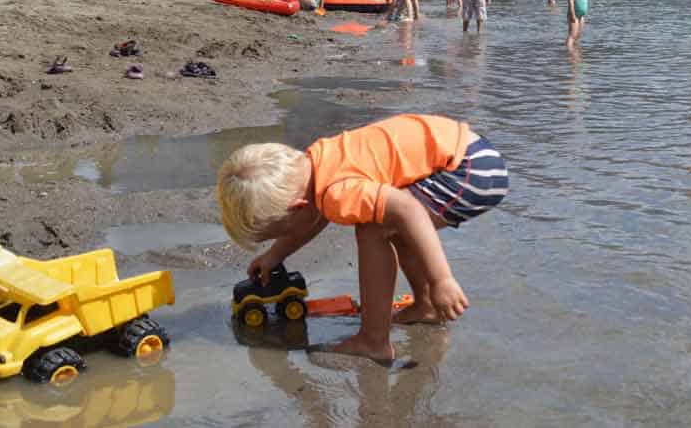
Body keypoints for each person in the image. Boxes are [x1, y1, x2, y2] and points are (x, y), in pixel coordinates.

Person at [215, 113, 509, 363]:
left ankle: (373, 340)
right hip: (470, 151)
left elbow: (408, 210)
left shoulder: (337, 192)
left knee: (375, 227)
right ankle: (426, 307)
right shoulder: (317, 161)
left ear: (297, 207)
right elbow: (313, 218)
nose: (287, 234)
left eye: (282, 230)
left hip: (469, 171)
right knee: (386, 218)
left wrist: (442, 279)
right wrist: (275, 256)